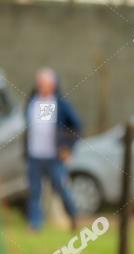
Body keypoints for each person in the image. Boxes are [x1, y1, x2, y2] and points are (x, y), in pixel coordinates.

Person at [23, 68, 82, 232]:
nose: (41, 86)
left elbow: (77, 126)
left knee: (62, 188)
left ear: (53, 85)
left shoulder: (61, 104)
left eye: (44, 83)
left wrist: (67, 148)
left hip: (54, 156)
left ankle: (74, 217)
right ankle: (35, 224)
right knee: (34, 191)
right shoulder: (32, 102)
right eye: (39, 83)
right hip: (35, 155)